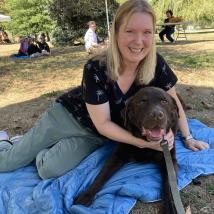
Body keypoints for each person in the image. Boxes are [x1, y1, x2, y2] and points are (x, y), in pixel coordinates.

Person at [0, 0, 209, 180]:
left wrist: (188, 137)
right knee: (7, 163)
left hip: (96, 134)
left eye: (146, 32)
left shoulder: (156, 64)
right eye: (129, 31)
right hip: (66, 117)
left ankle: (36, 147)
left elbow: (174, 104)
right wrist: (143, 144)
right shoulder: (95, 67)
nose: (139, 41)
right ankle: (10, 143)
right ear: (116, 32)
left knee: (48, 170)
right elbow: (103, 122)